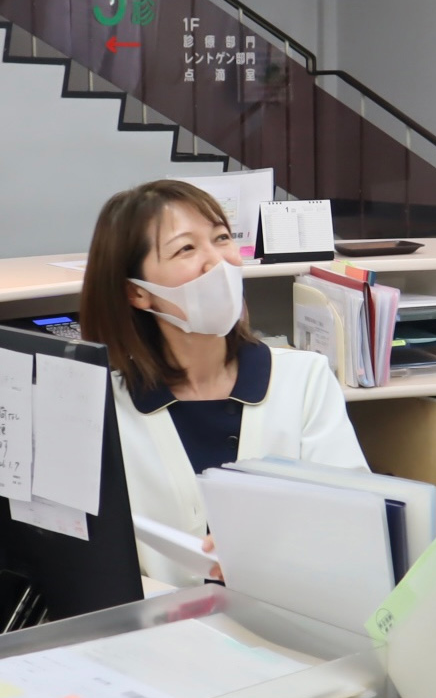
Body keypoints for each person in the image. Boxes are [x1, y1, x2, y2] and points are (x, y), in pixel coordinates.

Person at [79, 180, 366, 583]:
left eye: (222, 238)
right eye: (186, 248)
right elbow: (93, 560)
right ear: (137, 293)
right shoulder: (103, 406)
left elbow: (355, 522)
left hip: (288, 618)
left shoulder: (304, 379)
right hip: (161, 633)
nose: (218, 261)